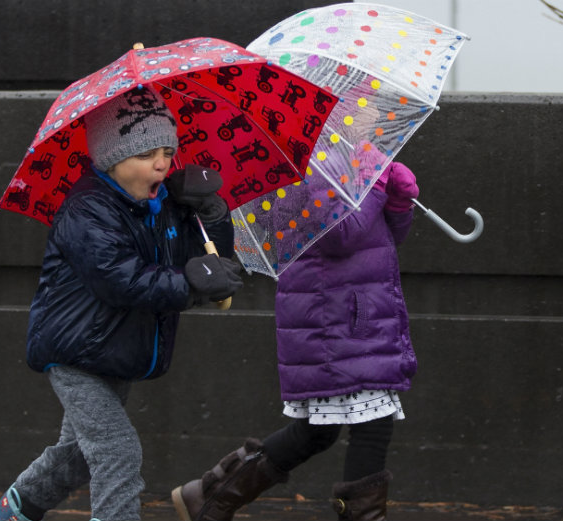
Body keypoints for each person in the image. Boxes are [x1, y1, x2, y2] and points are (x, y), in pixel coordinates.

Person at [0, 86, 243, 521]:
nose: (161, 163)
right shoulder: (87, 210)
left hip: (117, 349)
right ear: (111, 161)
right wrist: (189, 284)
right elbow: (121, 279)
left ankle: (6, 516)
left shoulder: (162, 206)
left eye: (166, 150)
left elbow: (207, 260)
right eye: (146, 155)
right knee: (117, 452)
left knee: (79, 456)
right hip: (76, 352)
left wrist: (210, 213)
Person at [169, 99, 421, 521]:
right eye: (364, 107)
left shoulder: (353, 159)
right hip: (335, 318)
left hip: (357, 312)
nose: (375, 116)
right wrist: (377, 181)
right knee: (372, 427)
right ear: (335, 115)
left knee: (316, 432)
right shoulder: (312, 167)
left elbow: (383, 239)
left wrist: (399, 202)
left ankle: (208, 496)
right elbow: (341, 235)